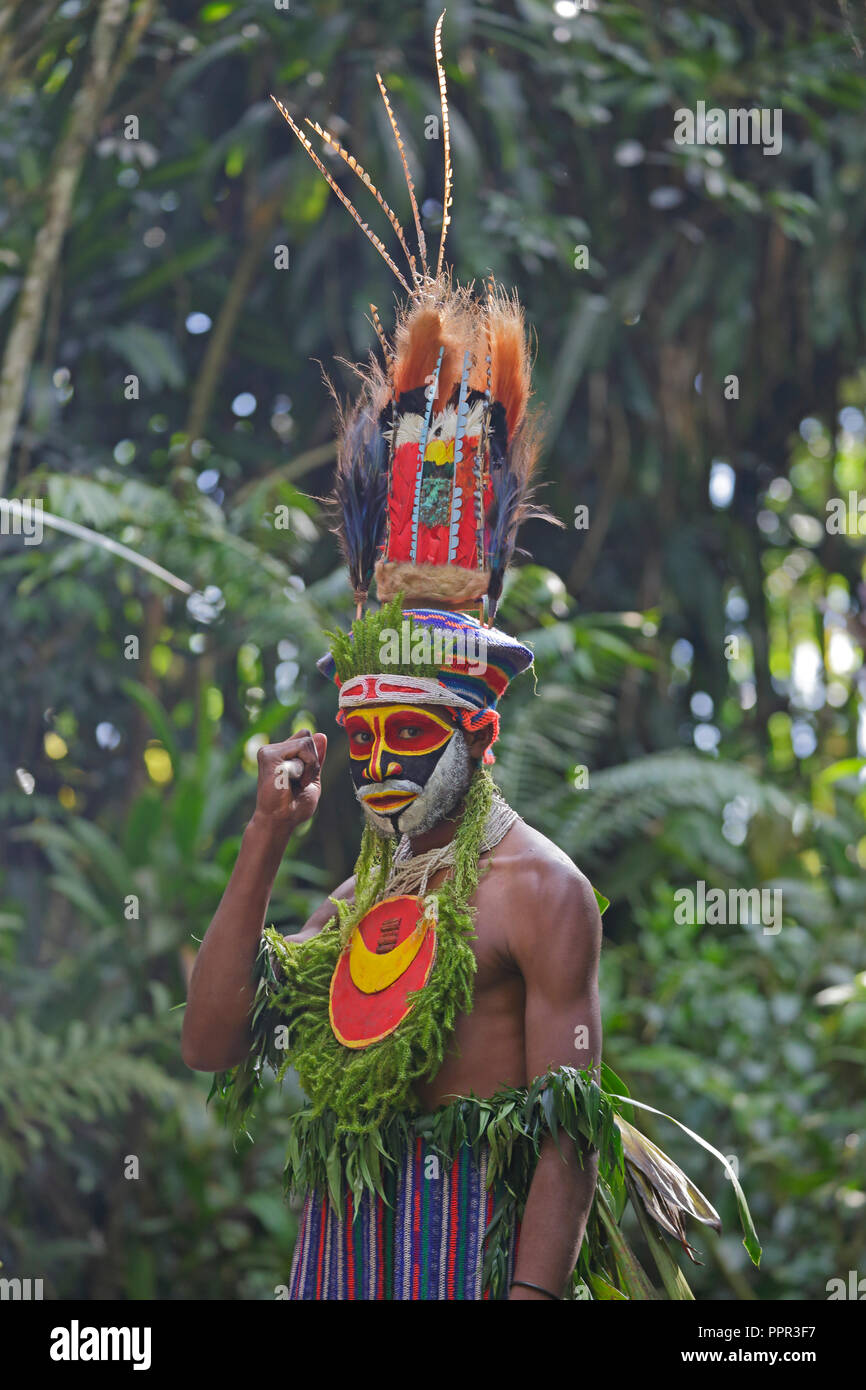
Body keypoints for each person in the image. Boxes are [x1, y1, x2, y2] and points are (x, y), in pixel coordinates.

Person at [182, 15, 760, 1301]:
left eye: (411, 736)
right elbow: (212, 1041)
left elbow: (564, 1127)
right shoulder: (353, 911)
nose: (383, 768)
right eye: (366, 736)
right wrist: (266, 844)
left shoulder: (536, 896)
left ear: (476, 729)